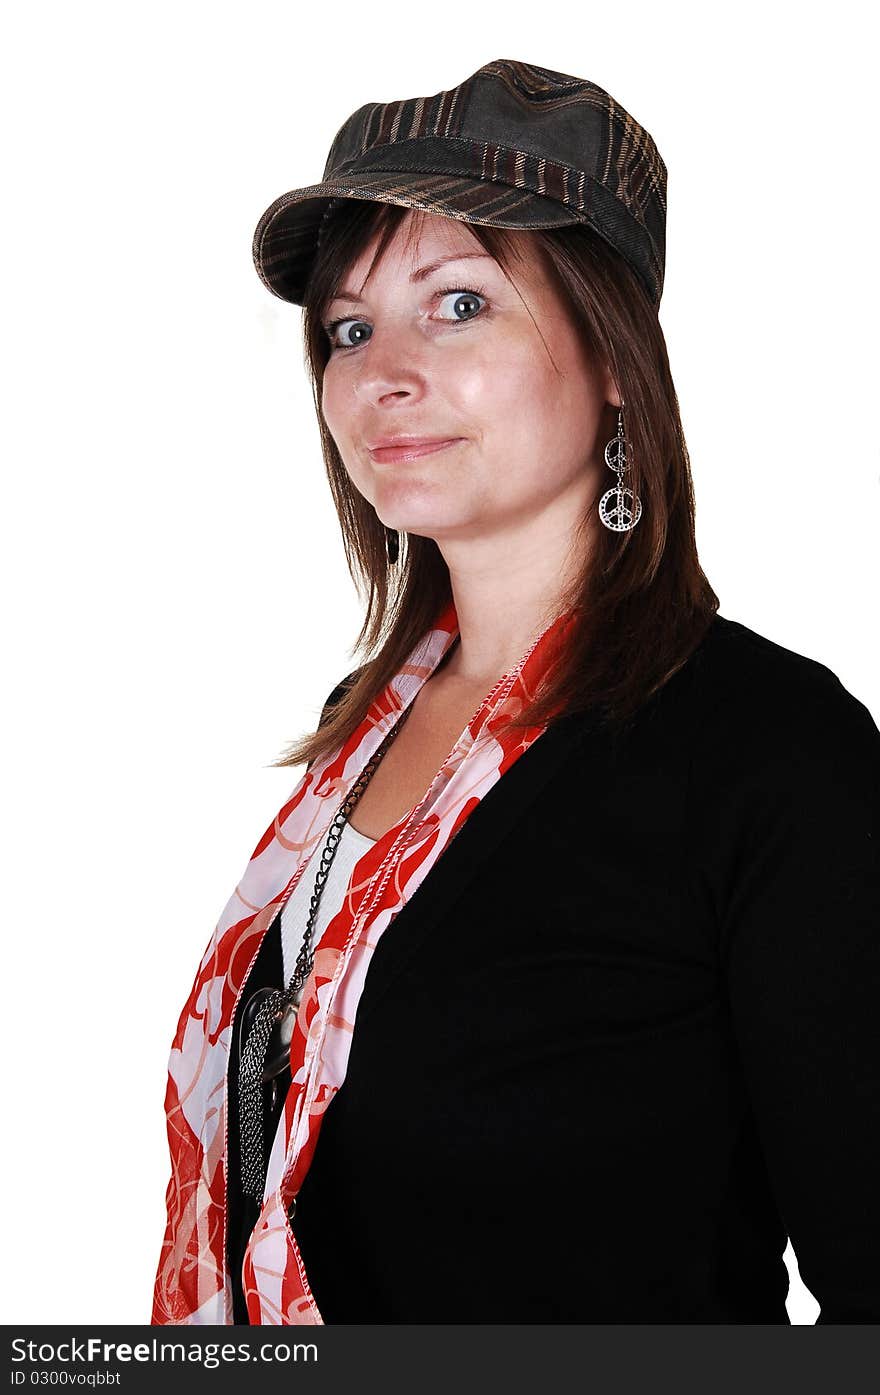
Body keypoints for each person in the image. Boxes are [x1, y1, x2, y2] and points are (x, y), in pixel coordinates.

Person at [151, 59, 880, 1326]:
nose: (382, 374)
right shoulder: (361, 736)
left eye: (460, 304)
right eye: (348, 328)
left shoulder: (771, 755)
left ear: (611, 357)